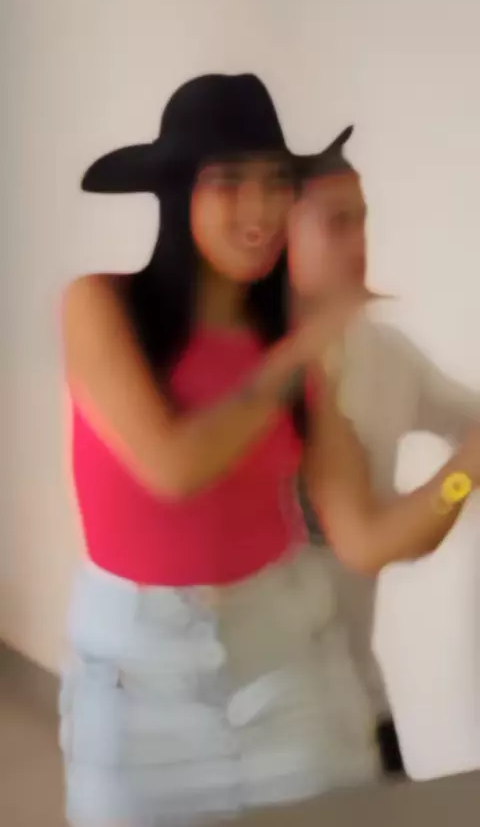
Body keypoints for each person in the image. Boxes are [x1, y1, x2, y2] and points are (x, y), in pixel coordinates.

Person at [60, 74, 380, 827]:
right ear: (178, 193)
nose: (261, 209)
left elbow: (362, 535)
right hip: (135, 680)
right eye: (230, 182)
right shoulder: (100, 304)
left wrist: (466, 472)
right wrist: (304, 347)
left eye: (276, 182)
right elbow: (173, 467)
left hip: (285, 656)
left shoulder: (296, 341)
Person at [287, 125, 480, 771]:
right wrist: (463, 474)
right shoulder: (248, 375)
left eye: (363, 220)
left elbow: (472, 432)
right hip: (259, 725)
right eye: (336, 222)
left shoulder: (385, 355)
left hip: (357, 702)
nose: (360, 243)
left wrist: (463, 473)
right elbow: (372, 540)